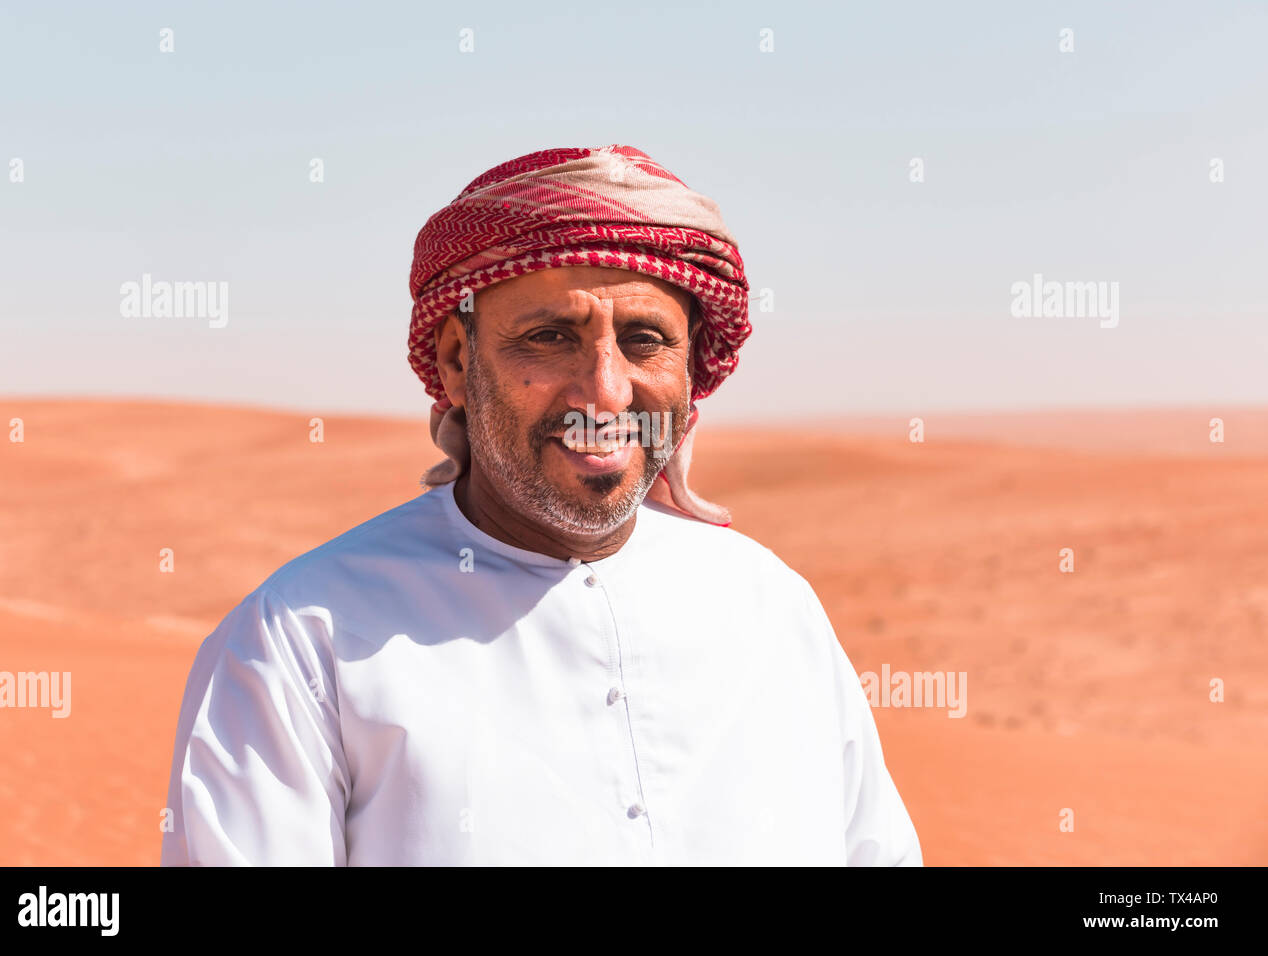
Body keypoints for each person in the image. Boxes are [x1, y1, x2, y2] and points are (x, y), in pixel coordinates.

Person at [160, 144, 923, 866]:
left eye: (645, 339)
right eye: (551, 337)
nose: (605, 390)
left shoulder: (772, 609)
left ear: (690, 370)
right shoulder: (305, 638)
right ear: (458, 364)